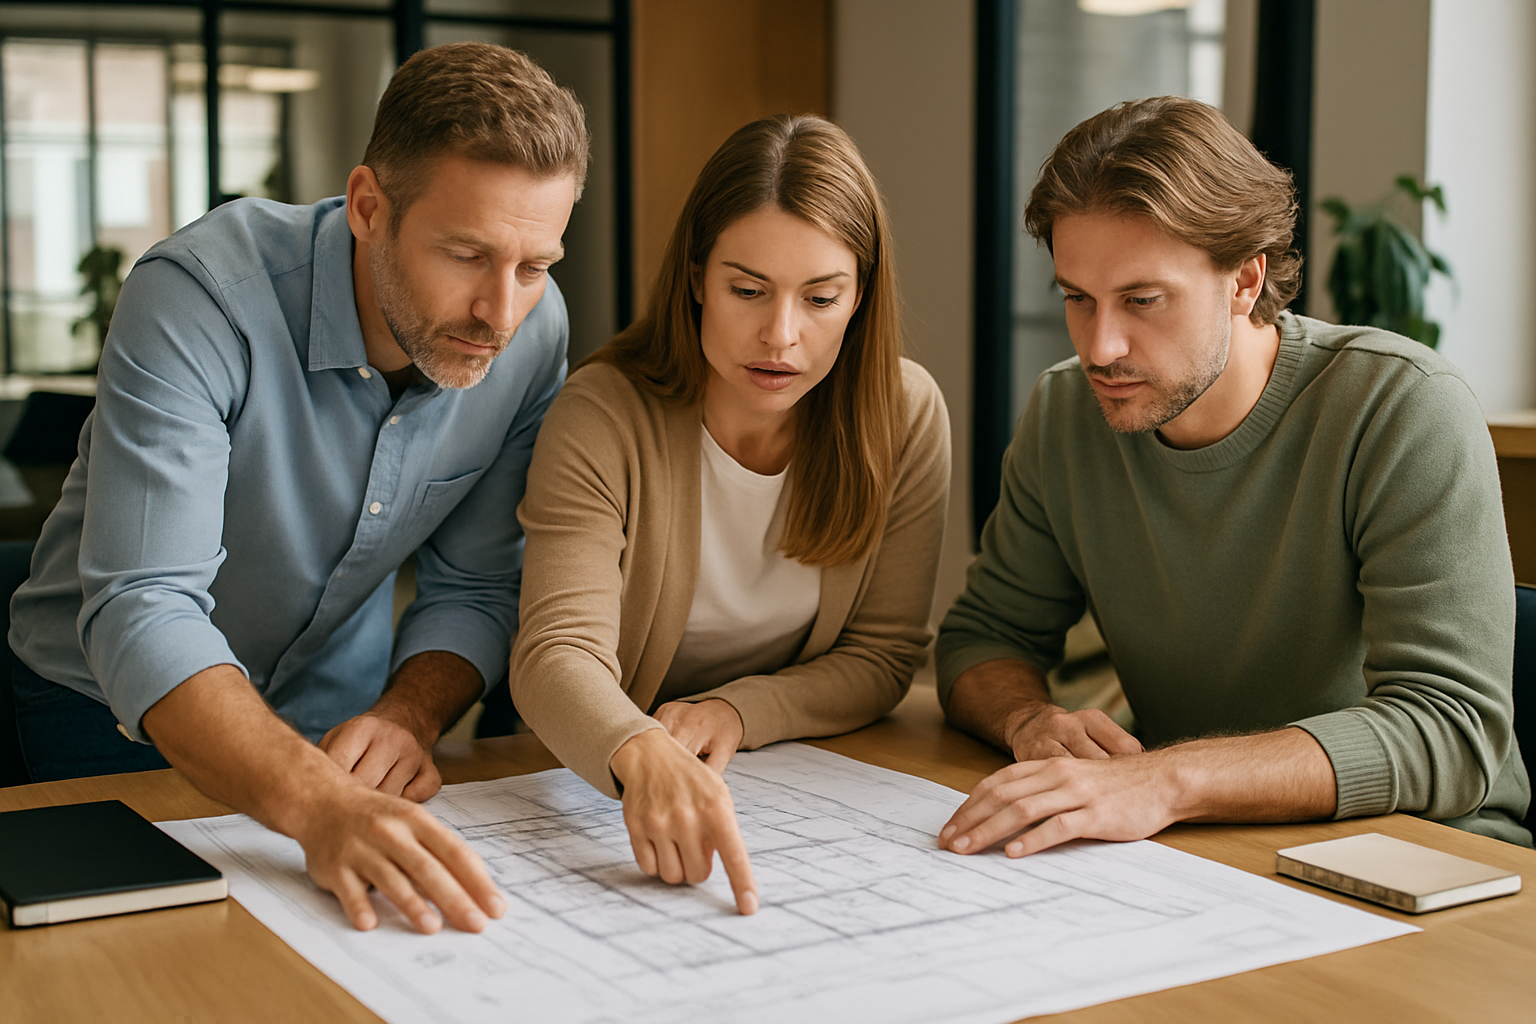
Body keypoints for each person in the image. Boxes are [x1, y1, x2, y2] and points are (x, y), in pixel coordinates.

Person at [8, 42, 589, 931]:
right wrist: (317, 805)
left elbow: (475, 585)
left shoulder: (533, 332)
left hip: (337, 721)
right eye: (466, 255)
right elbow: (146, 604)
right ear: (368, 208)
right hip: (101, 713)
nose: (501, 313)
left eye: (534, 265)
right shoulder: (201, 295)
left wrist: (407, 715)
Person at [937, 95, 1531, 858]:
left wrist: (1167, 779)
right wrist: (1028, 720)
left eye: (1142, 300)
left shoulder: (1400, 407)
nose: (1101, 345)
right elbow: (984, 637)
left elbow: (1452, 729)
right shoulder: (1065, 413)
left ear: (1245, 282)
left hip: (1430, 857)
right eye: (1077, 300)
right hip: (1206, 845)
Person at [510, 114, 951, 914]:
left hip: (799, 785)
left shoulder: (907, 414)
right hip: (599, 777)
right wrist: (641, 748)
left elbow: (884, 656)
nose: (780, 336)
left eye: (821, 298)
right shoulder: (604, 413)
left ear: (861, 296)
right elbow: (554, 654)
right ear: (695, 276)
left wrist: (736, 713)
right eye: (747, 289)